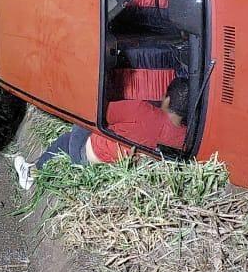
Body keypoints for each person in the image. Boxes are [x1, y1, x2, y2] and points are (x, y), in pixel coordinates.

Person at [14, 77, 190, 190]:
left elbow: (98, 113)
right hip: (117, 171)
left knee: (72, 131)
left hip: (86, 157)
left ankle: (32, 174)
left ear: (167, 98)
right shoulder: (184, 139)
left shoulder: (141, 110)